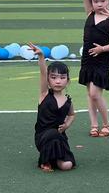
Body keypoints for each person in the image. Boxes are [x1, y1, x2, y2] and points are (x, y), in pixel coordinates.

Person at [69, 0, 109, 137]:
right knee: (89, 94)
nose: (99, 4)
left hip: (102, 59)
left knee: (95, 93)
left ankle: (107, 123)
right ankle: (94, 124)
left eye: (103, 1)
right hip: (88, 59)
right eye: (96, 1)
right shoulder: (90, 13)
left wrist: (103, 49)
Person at [28, 43, 76, 172]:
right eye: (53, 78)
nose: (58, 81)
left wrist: (67, 125)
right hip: (44, 137)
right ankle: (45, 160)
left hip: (60, 138)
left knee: (67, 166)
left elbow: (72, 115)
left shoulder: (68, 101)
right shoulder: (44, 95)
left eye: (62, 78)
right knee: (52, 133)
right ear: (48, 80)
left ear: (68, 80)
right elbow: (43, 73)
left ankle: (55, 158)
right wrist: (41, 56)